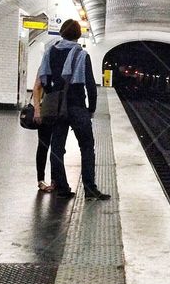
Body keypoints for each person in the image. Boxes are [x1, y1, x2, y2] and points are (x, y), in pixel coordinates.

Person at [37, 19, 110, 200]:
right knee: (86, 147)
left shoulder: (50, 52)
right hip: (78, 107)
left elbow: (44, 78)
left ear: (61, 32)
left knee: (57, 147)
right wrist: (91, 109)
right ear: (78, 35)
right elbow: (91, 86)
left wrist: (53, 96)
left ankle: (62, 188)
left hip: (57, 107)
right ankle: (90, 190)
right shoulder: (82, 54)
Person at [30, 75, 54, 192]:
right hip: (45, 112)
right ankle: (41, 180)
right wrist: (37, 110)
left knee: (57, 148)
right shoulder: (45, 64)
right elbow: (36, 88)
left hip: (58, 112)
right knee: (43, 146)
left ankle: (55, 180)